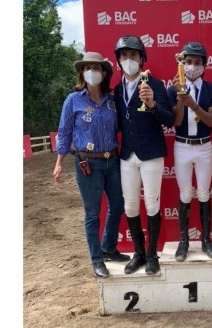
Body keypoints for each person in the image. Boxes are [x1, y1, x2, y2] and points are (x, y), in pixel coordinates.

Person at [53, 51, 130, 279]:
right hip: (87, 162)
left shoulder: (112, 100)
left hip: (112, 160)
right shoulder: (73, 100)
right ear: (82, 72)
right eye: (87, 68)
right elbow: (65, 131)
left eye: (96, 68)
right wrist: (59, 162)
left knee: (118, 205)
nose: (91, 72)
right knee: (92, 214)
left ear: (104, 72)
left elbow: (121, 127)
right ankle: (97, 260)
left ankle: (108, 248)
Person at [113, 35, 175, 275]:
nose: (129, 60)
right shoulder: (116, 91)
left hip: (151, 153)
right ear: (118, 60)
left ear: (142, 59)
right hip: (127, 154)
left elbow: (169, 120)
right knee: (130, 205)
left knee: (151, 204)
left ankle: (152, 255)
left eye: (133, 55)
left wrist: (152, 105)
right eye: (124, 56)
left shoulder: (156, 85)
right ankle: (138, 253)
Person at [167, 41, 212, 261]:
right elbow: (177, 121)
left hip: (203, 147)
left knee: (204, 192)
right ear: (182, 63)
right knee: (185, 193)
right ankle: (184, 242)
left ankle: (206, 240)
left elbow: (210, 121)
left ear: (204, 66)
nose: (192, 66)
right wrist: (180, 97)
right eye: (188, 62)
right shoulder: (173, 88)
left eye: (197, 63)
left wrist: (192, 103)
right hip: (181, 146)